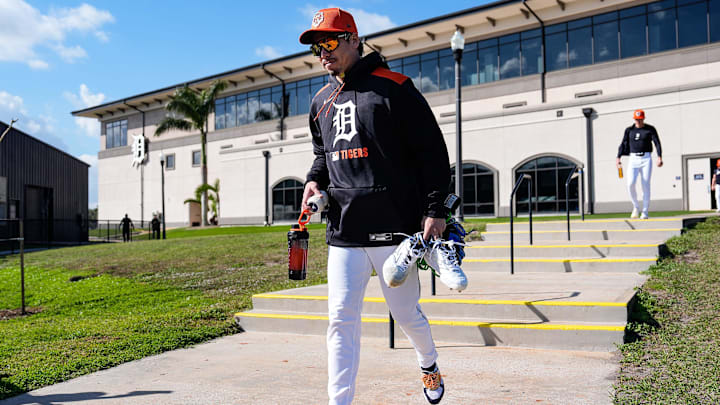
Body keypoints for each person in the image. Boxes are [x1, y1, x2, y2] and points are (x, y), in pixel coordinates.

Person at [299, 8, 459, 404]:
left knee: (406, 316)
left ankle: (428, 363)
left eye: (331, 42)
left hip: (396, 231)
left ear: (354, 39)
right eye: (319, 46)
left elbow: (433, 155)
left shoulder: (396, 87)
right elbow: (323, 153)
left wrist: (435, 210)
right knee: (340, 321)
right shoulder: (320, 100)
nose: (324, 52)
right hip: (344, 231)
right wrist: (313, 180)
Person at [616, 109, 663, 219]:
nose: (638, 121)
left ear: (643, 119)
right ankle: (636, 207)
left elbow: (657, 142)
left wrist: (659, 157)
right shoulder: (629, 130)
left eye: (640, 119)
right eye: (637, 119)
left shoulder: (650, 129)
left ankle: (645, 211)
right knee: (630, 183)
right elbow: (623, 143)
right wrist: (618, 157)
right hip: (633, 158)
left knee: (645, 184)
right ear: (634, 119)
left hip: (646, 158)